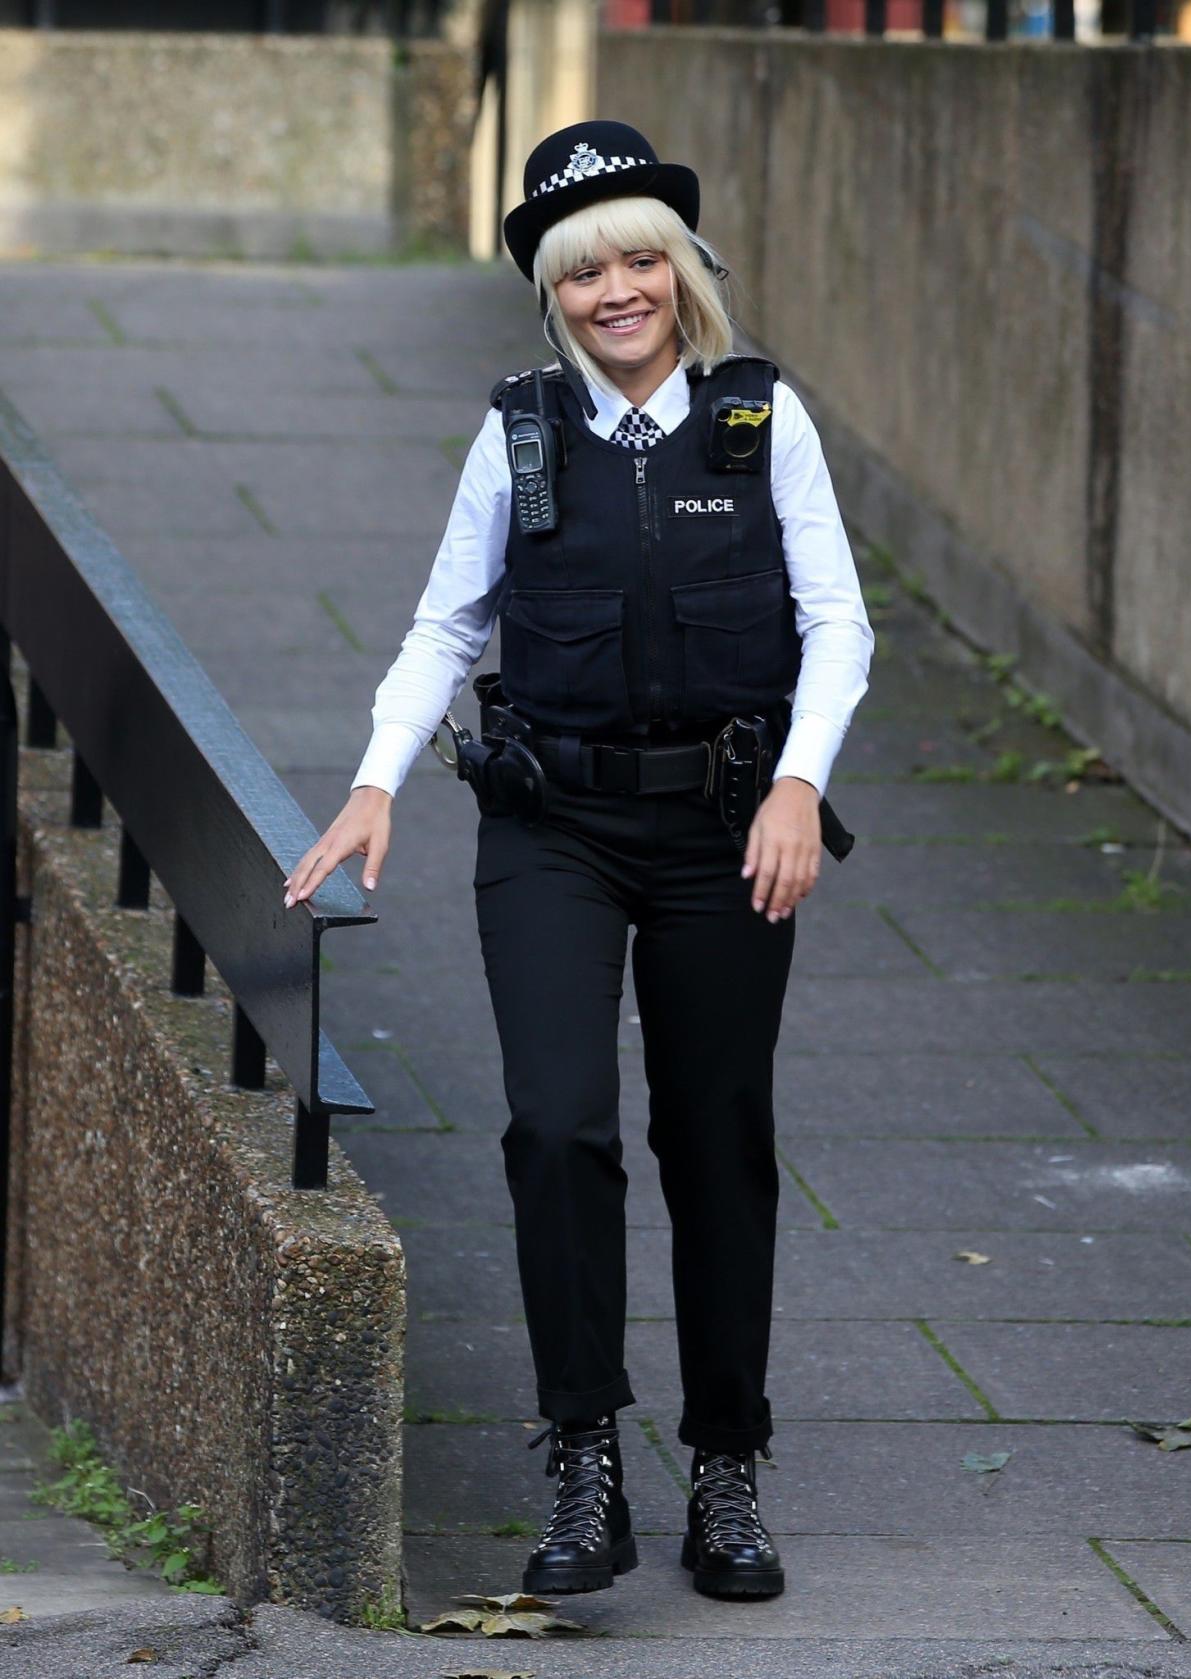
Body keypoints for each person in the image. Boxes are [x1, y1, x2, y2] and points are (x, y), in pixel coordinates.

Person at [283, 120, 874, 1602]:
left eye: (637, 261)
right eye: (581, 272)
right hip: (552, 825)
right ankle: (582, 1459)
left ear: (680, 272)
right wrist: (372, 783)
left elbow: (840, 624)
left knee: (716, 1135)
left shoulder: (757, 422)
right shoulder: (521, 429)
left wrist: (797, 785)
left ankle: (726, 1467)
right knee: (556, 1127)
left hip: (725, 830)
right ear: (549, 295)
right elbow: (445, 622)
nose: (615, 291)